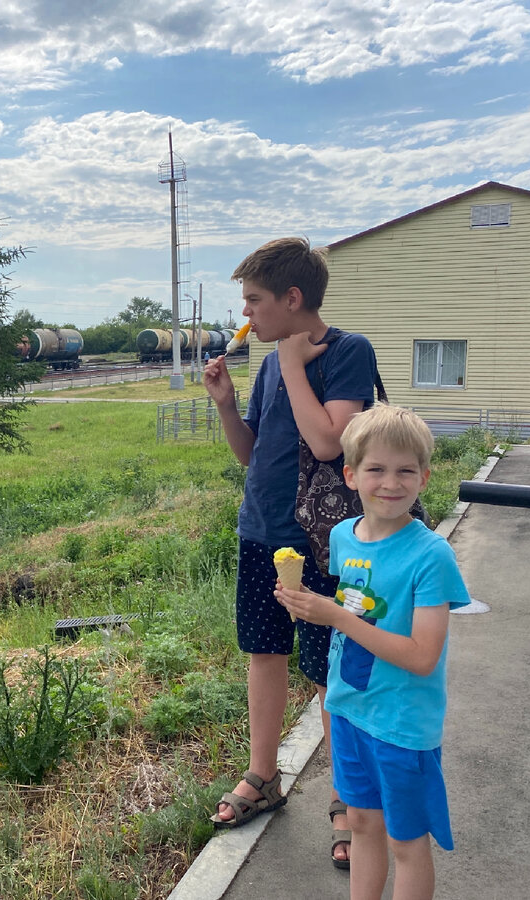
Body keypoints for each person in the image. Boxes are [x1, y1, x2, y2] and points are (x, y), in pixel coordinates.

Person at [202, 236, 378, 867]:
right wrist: (226, 405)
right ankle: (263, 775)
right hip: (264, 529)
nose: (246, 312)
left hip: (327, 540)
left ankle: (348, 799)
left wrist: (298, 364)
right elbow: (253, 452)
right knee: (264, 650)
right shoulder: (273, 362)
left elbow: (331, 442)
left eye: (253, 300)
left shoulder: (345, 351)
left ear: (292, 298)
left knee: (334, 670)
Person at [277, 404, 469, 899]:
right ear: (351, 474)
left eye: (406, 470)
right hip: (348, 709)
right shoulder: (343, 536)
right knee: (361, 823)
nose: (391, 482)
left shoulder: (430, 556)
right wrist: (308, 606)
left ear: (424, 477)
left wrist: (336, 616)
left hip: (402, 725)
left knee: (406, 843)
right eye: (376, 469)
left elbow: (422, 656)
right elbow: (358, 607)